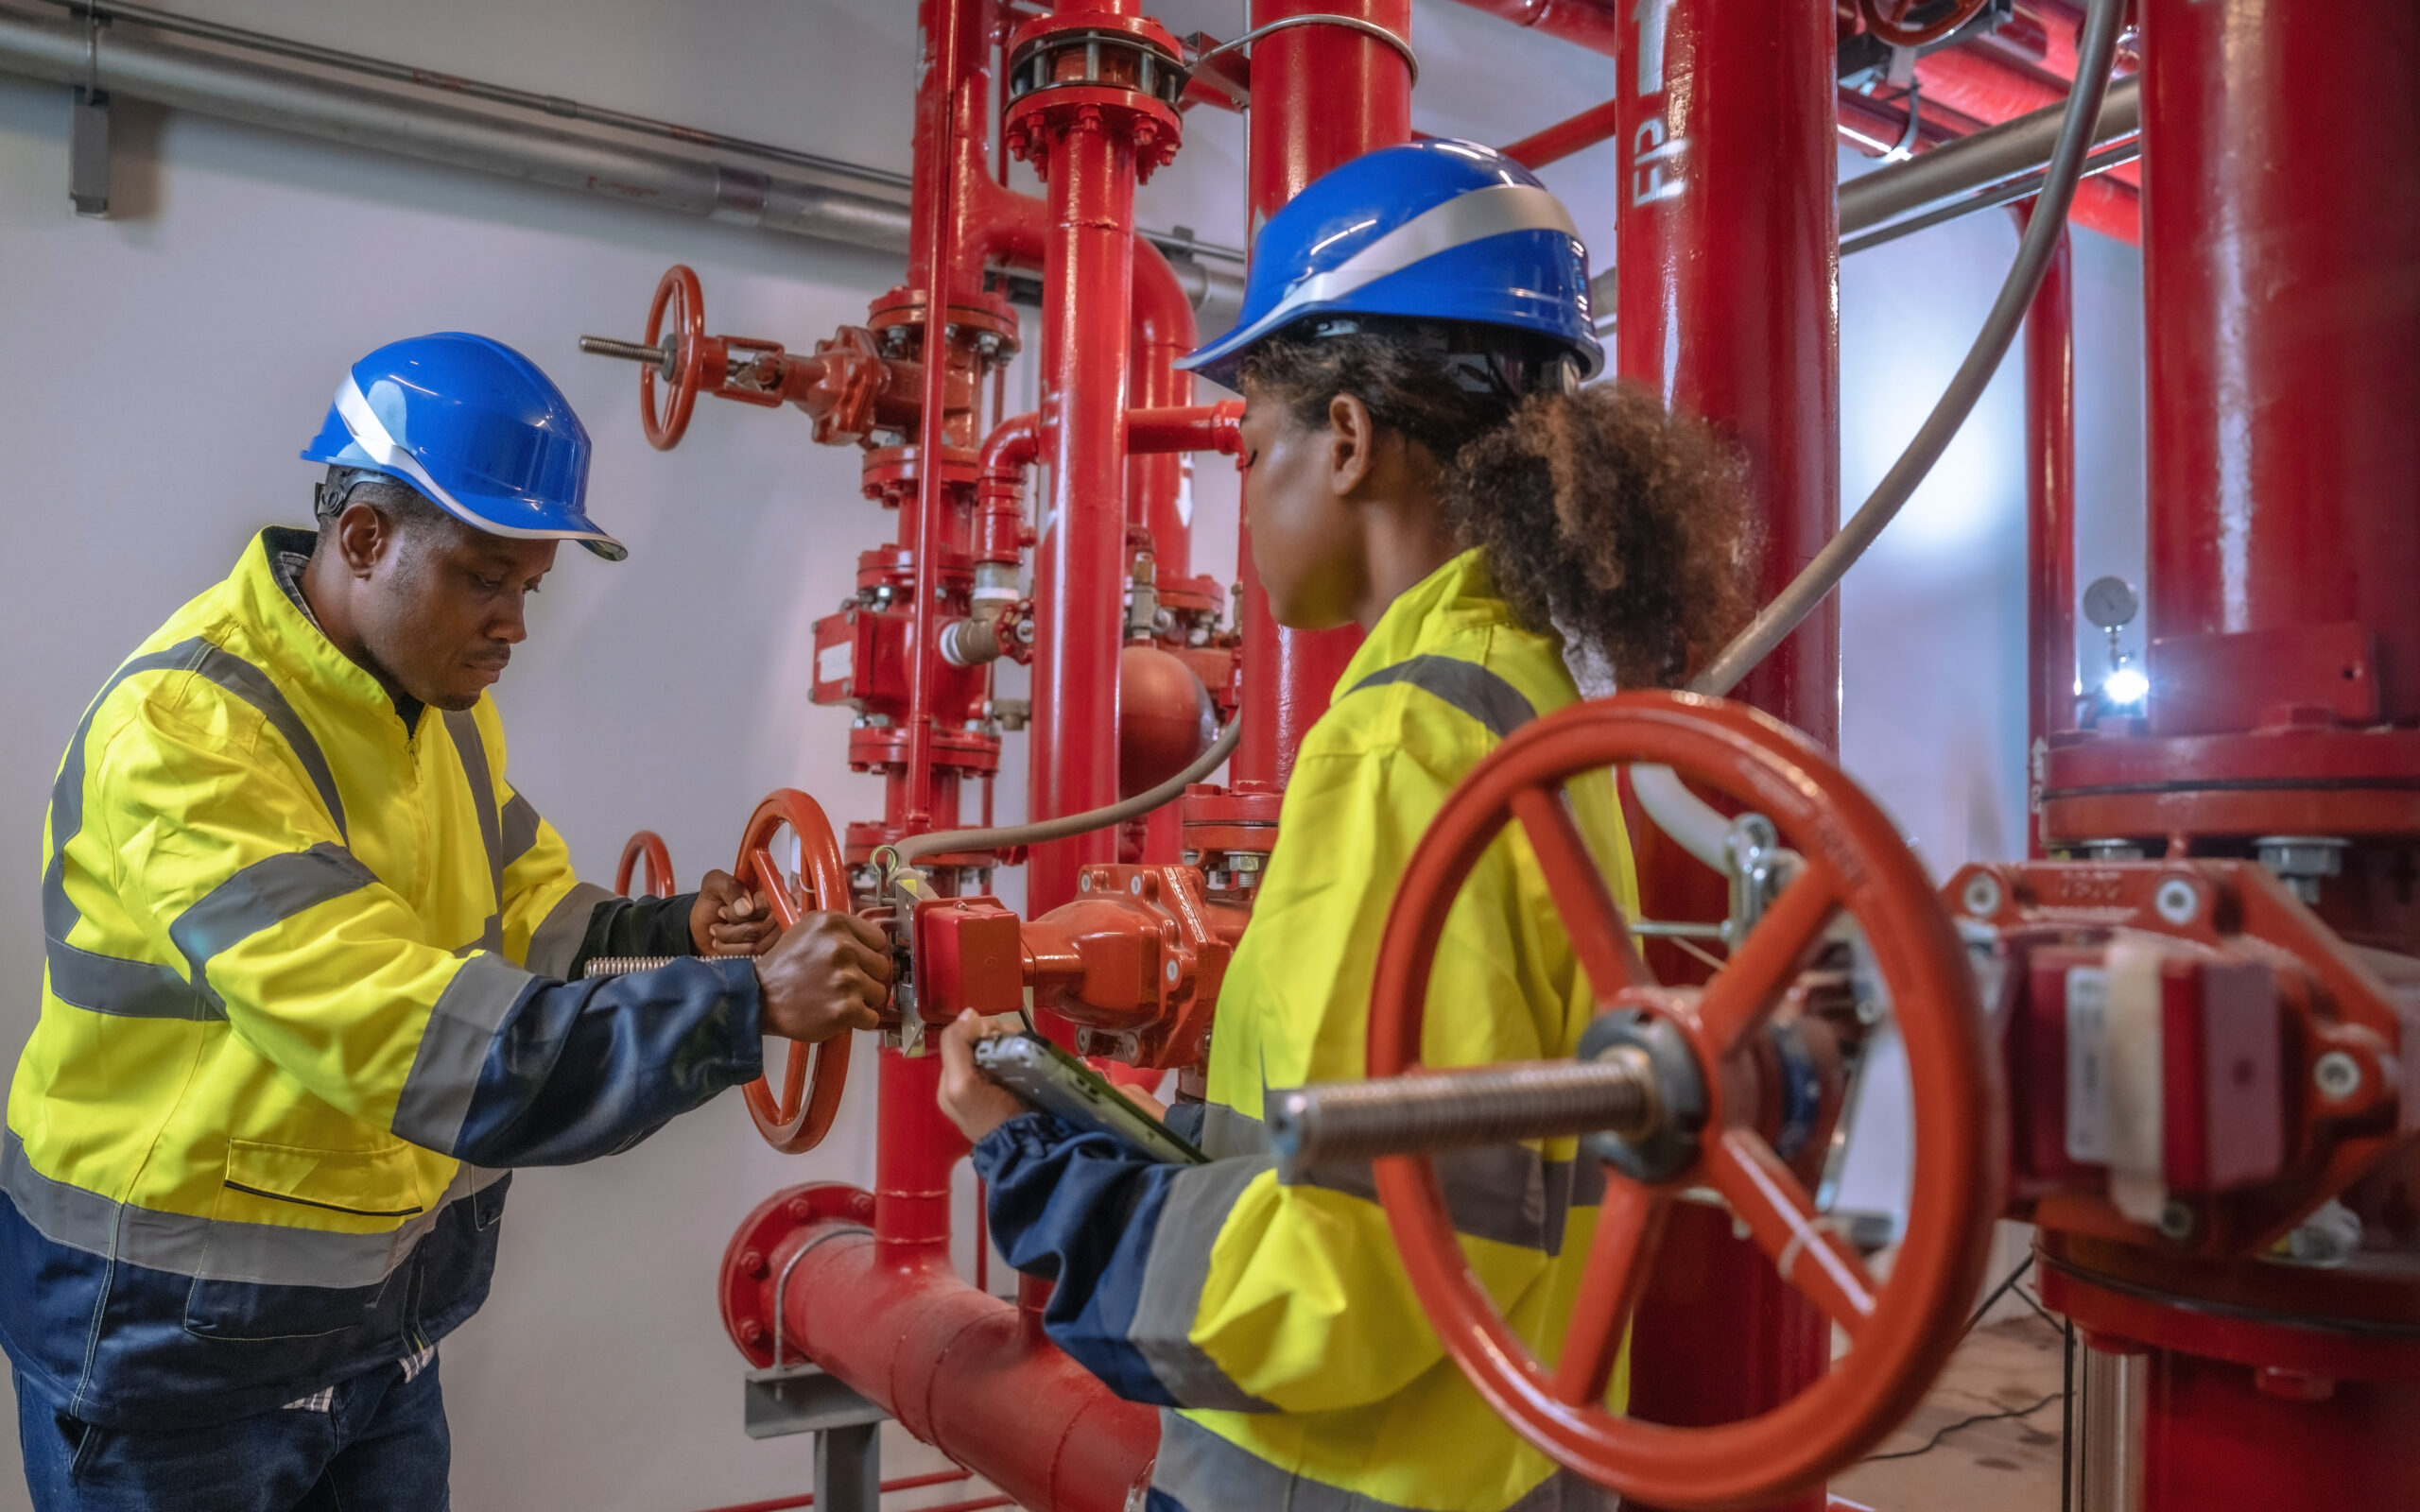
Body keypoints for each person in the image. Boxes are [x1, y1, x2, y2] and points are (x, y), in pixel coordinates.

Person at [936, 142, 1754, 1511]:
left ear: (1353, 439)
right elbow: (1451, 1175)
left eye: (1254, 445)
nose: (1245, 492)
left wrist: (1035, 1172)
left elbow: (1344, 1279)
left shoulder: (1396, 747)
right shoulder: (1522, 701)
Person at [2, 333, 893, 1511]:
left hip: (378, 1327)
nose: (515, 626)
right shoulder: (189, 735)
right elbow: (402, 1030)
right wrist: (750, 1003)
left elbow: (518, 903)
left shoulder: (437, 707)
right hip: (176, 1347)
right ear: (364, 538)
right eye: (485, 579)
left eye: (530, 588)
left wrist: (678, 933)